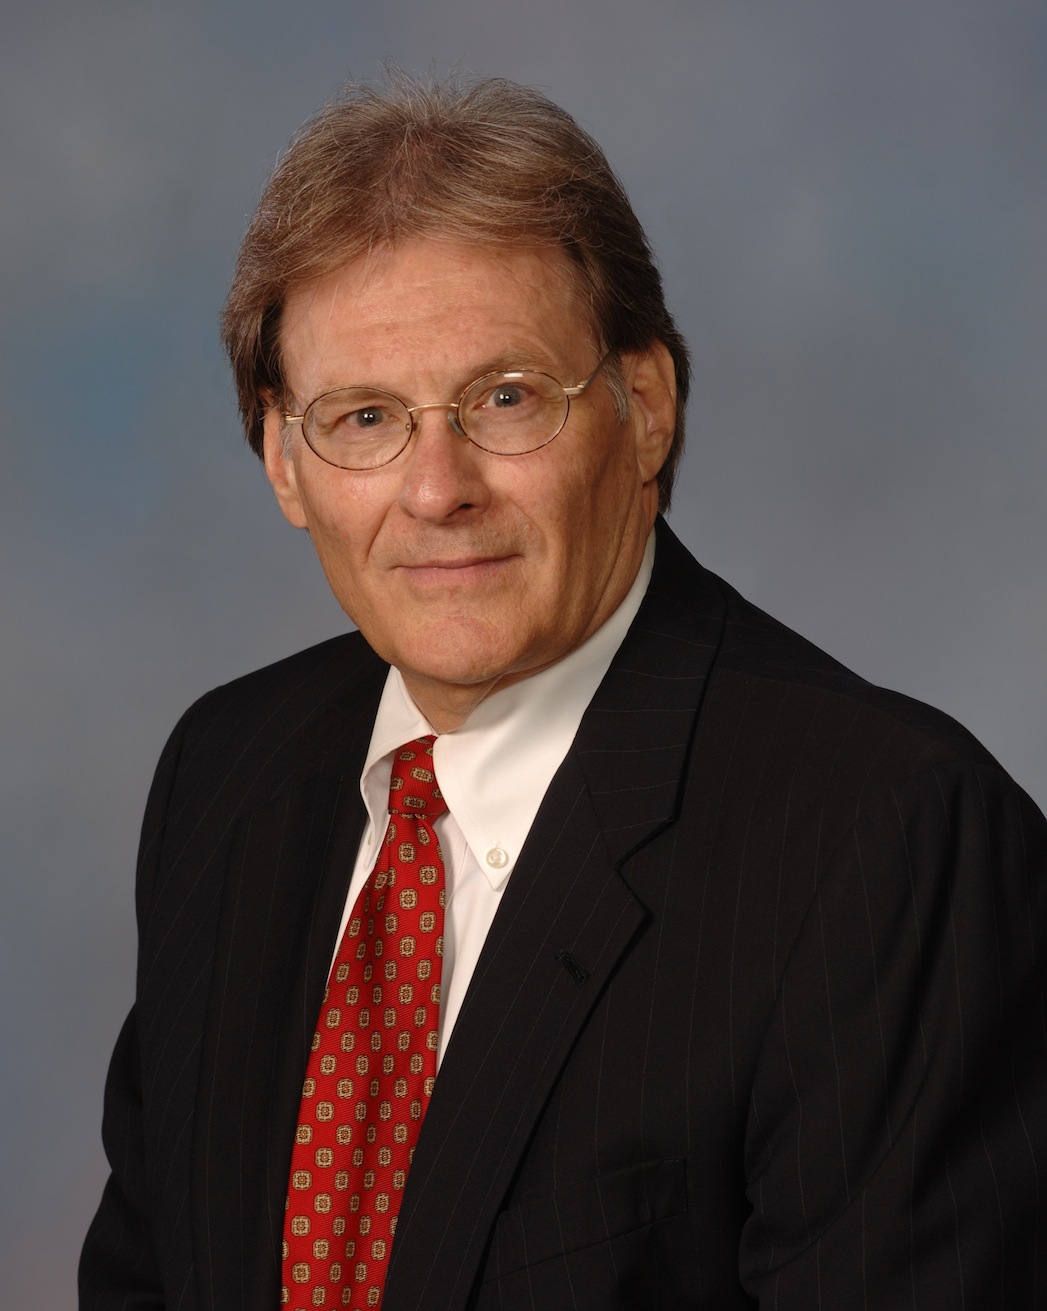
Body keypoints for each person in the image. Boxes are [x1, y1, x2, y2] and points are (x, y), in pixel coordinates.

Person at [80, 74, 1047, 1311]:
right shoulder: (227, 773)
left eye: (505, 399)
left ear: (645, 409)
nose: (438, 488)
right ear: (283, 459)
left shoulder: (889, 843)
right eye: (365, 417)